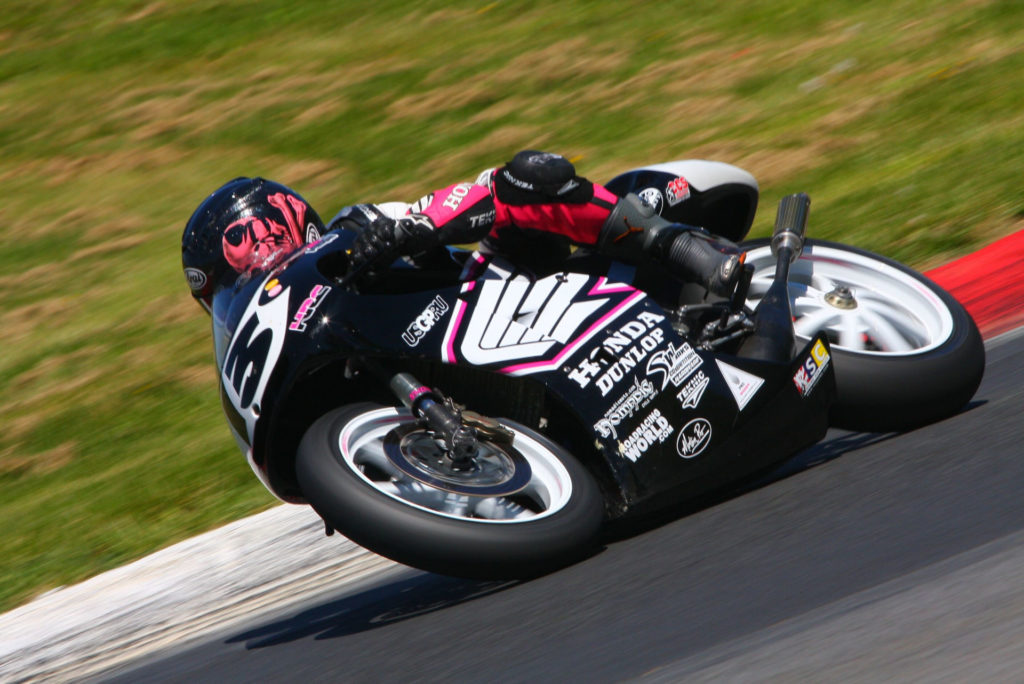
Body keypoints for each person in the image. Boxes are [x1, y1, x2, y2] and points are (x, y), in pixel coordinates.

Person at [181, 151, 742, 313]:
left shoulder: (358, 224)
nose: (249, 275)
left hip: (504, 288)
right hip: (470, 361)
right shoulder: (285, 334)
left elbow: (468, 198)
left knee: (520, 181)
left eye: (240, 264)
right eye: (224, 291)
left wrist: (407, 232)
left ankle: (683, 247)